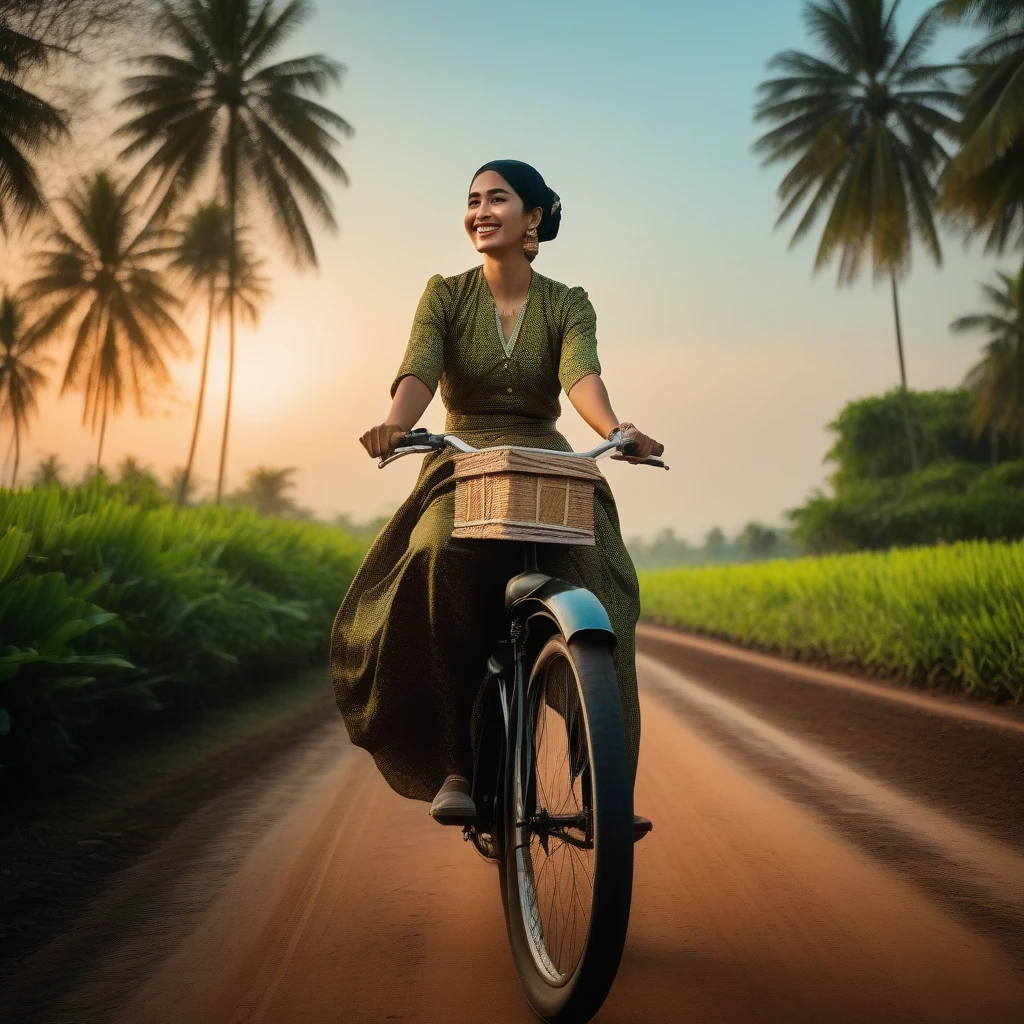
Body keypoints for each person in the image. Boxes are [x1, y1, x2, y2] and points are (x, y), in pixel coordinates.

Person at [330, 159, 663, 837]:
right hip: (462, 463)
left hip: (546, 462)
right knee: (433, 556)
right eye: (473, 200)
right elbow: (420, 366)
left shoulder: (568, 301)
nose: (481, 211)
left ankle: (600, 780)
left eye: (498, 199)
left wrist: (614, 430)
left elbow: (582, 374)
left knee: (604, 582)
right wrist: (397, 420)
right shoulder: (445, 294)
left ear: (533, 218)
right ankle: (456, 764)